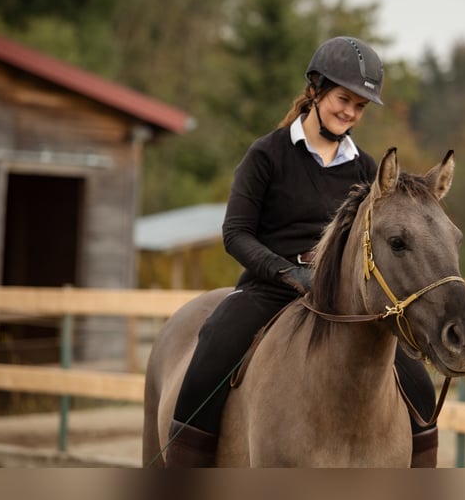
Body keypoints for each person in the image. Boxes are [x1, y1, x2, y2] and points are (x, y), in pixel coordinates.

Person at [165, 36, 439, 467]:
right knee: (215, 345)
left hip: (343, 297)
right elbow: (236, 233)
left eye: (360, 106)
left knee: (417, 382)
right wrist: (284, 273)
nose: (349, 112)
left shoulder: (368, 169)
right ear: (316, 89)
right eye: (343, 99)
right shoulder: (266, 155)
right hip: (271, 288)